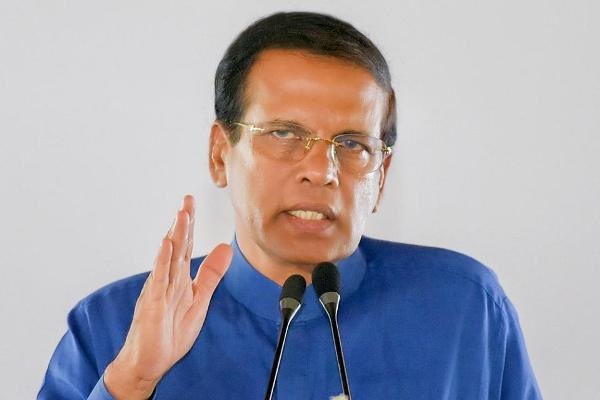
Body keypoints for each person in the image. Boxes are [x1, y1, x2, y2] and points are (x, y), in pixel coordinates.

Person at [38, 11, 542, 400]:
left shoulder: (464, 307)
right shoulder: (112, 326)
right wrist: (132, 381)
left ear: (382, 176)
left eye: (352, 144)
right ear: (220, 154)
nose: (321, 171)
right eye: (284, 134)